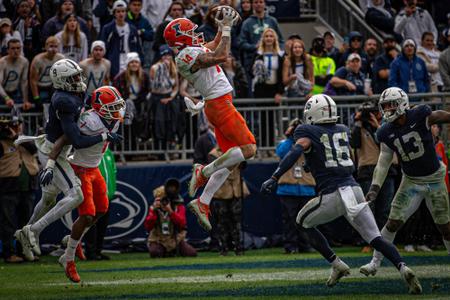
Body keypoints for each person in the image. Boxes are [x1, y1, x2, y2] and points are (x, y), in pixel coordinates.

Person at [260, 94, 422, 294]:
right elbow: (333, 158)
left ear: (312, 113)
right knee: (376, 238)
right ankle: (403, 267)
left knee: (302, 222)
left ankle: (336, 263)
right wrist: (313, 164)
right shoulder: (343, 129)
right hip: (354, 189)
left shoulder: (306, 130)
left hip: (333, 193)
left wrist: (275, 177)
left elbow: (297, 150)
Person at [14, 59, 122, 262]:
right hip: (54, 151)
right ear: (61, 80)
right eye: (73, 77)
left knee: (48, 200)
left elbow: (95, 103)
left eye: (78, 75)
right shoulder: (63, 100)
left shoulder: (74, 93)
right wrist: (104, 136)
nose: (78, 80)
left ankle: (24, 236)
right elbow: (77, 140)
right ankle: (33, 230)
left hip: (58, 149)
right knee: (76, 195)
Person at [164, 10, 256, 231]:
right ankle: (202, 172)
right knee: (249, 149)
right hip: (219, 104)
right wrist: (225, 28)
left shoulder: (191, 50)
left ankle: (203, 202)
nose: (196, 35)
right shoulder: (185, 55)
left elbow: (215, 44)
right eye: (191, 33)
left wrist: (225, 26)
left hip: (216, 103)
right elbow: (221, 56)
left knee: (231, 159)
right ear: (182, 39)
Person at [359, 87, 450, 280]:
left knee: (445, 227)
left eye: (390, 106)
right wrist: (374, 188)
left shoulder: (420, 114)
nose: (387, 110)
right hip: (411, 181)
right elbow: (383, 160)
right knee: (393, 222)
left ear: (402, 104)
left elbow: (438, 115)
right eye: (384, 107)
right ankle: (375, 262)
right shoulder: (385, 131)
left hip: (434, 179)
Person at [54, 86, 124, 282]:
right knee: (88, 214)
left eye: (118, 106)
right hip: (80, 168)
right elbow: (75, 140)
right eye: (112, 106)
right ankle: (68, 259)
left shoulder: (112, 117)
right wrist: (103, 136)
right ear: (99, 107)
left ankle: (73, 242)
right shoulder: (88, 120)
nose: (117, 111)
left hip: (94, 167)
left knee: (103, 209)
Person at [351, 101, 396, 231]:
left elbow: (388, 143)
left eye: (373, 112)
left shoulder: (385, 126)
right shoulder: (358, 128)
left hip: (387, 169)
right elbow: (354, 144)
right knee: (368, 207)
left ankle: (385, 239)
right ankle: (371, 240)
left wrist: (377, 126)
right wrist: (358, 123)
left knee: (386, 207)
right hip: (366, 170)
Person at [0, 111, 38, 263]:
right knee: (8, 222)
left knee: (27, 223)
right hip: (8, 187)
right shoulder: (1, 142)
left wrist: (17, 137)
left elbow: (35, 149)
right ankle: (9, 253)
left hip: (28, 186)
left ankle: (26, 252)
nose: (15, 127)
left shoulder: (26, 140)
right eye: (12, 125)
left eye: (17, 124)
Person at [275, 118, 315, 254]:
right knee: (289, 221)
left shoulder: (310, 142)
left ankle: (306, 245)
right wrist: (290, 138)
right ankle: (290, 246)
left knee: (306, 220)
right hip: (288, 188)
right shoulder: (285, 144)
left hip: (306, 187)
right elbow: (281, 153)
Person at [144, 178, 197, 258]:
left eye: (165, 199)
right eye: (161, 200)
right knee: (155, 252)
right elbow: (148, 227)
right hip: (158, 239)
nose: (163, 202)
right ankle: (166, 251)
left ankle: (170, 250)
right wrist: (153, 211)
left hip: (174, 238)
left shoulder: (178, 206)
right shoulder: (154, 208)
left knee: (192, 253)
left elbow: (182, 224)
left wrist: (170, 212)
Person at [239, 0, 284, 93]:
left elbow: (281, 40)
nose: (258, 4)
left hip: (273, 61)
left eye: (260, 2)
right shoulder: (247, 23)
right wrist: (254, 47)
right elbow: (241, 43)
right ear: (252, 5)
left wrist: (280, 53)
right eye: (255, 2)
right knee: (255, 91)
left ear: (264, 4)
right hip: (253, 62)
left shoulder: (272, 21)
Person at [83, 147, 116, 260]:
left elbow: (113, 172)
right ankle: (90, 252)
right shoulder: (91, 152)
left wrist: (112, 191)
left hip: (107, 196)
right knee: (91, 223)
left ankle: (98, 251)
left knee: (102, 224)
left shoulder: (108, 152)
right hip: (93, 195)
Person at [99, 0, 143, 78]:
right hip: (114, 61)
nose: (121, 14)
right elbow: (103, 47)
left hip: (129, 60)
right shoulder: (107, 28)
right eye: (118, 11)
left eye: (123, 11)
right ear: (114, 13)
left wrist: (140, 61)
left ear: (126, 12)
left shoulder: (132, 29)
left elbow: (138, 47)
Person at [113, 52, 150, 144]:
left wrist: (140, 100)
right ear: (128, 64)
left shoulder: (144, 76)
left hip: (139, 104)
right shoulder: (120, 77)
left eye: (136, 62)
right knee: (127, 127)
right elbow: (116, 91)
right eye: (132, 62)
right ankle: (128, 146)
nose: (134, 64)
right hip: (125, 105)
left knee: (139, 125)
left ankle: (138, 145)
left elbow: (147, 90)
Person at [149, 45, 179, 157]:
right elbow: (153, 86)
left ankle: (168, 150)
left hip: (169, 98)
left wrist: (171, 97)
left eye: (169, 55)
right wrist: (161, 70)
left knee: (169, 124)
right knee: (158, 124)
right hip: (157, 98)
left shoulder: (174, 68)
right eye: (164, 55)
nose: (167, 57)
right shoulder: (154, 68)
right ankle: (158, 151)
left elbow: (176, 87)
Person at [29, 36, 65, 109]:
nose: (53, 49)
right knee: (42, 104)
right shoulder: (38, 60)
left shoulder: (61, 58)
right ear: (46, 46)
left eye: (56, 46)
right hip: (40, 86)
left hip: (52, 86)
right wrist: (36, 97)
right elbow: (33, 80)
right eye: (51, 46)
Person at [0, 38, 31, 111]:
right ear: (8, 50)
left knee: (17, 116)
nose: (16, 51)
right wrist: (6, 98)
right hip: (2, 92)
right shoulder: (2, 62)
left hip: (15, 92)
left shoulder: (24, 62)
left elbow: (24, 82)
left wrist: (25, 100)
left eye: (18, 48)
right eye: (13, 48)